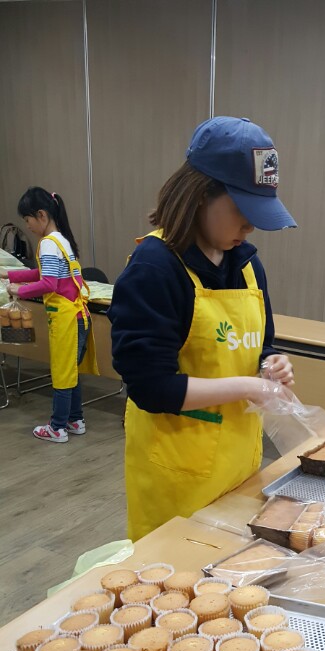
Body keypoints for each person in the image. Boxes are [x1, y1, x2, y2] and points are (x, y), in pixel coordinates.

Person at [110, 116, 296, 541]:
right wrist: (249, 388)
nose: (250, 226)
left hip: (238, 464)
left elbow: (262, 344)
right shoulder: (155, 269)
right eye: (242, 211)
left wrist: (271, 365)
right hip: (178, 475)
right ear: (200, 195)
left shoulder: (246, 264)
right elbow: (151, 386)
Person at [0, 187, 98, 442]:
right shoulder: (62, 241)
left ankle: (57, 427)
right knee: (71, 371)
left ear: (41, 215)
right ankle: (75, 420)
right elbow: (41, 273)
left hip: (66, 319)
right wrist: (10, 275)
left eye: (28, 220)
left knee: (62, 373)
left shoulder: (47, 244)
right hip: (78, 318)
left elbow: (48, 284)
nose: (28, 226)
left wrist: (18, 290)